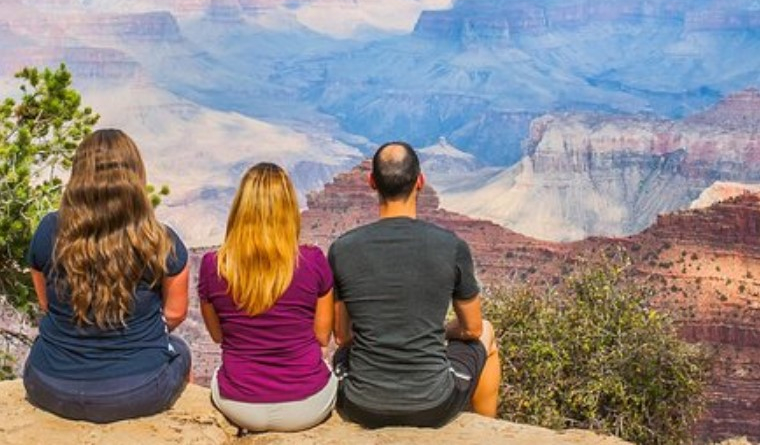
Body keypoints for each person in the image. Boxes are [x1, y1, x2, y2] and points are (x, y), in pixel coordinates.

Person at [328, 141, 500, 428]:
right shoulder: (451, 246)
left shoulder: (342, 248)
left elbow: (342, 336)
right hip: (433, 404)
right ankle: (486, 428)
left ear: (372, 182)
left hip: (361, 405)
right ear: (420, 182)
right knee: (488, 334)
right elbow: (472, 329)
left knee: (343, 355)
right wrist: (438, 331)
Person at [23, 128, 191, 423]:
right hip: (138, 392)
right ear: (135, 176)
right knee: (180, 351)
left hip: (49, 386)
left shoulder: (48, 230)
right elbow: (175, 314)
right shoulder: (161, 241)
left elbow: (46, 304)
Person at [198, 162, 336, 433]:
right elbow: (322, 336)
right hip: (306, 404)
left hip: (239, 404)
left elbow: (218, 336)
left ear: (240, 209)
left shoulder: (213, 265)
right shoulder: (313, 260)